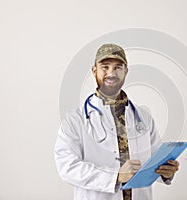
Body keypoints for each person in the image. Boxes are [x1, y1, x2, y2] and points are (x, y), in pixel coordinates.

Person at [54, 43, 180, 200]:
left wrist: (166, 173)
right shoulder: (75, 121)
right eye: (105, 67)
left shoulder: (143, 117)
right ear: (94, 71)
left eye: (118, 67)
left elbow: (154, 161)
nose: (111, 73)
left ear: (125, 72)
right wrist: (115, 176)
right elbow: (68, 167)